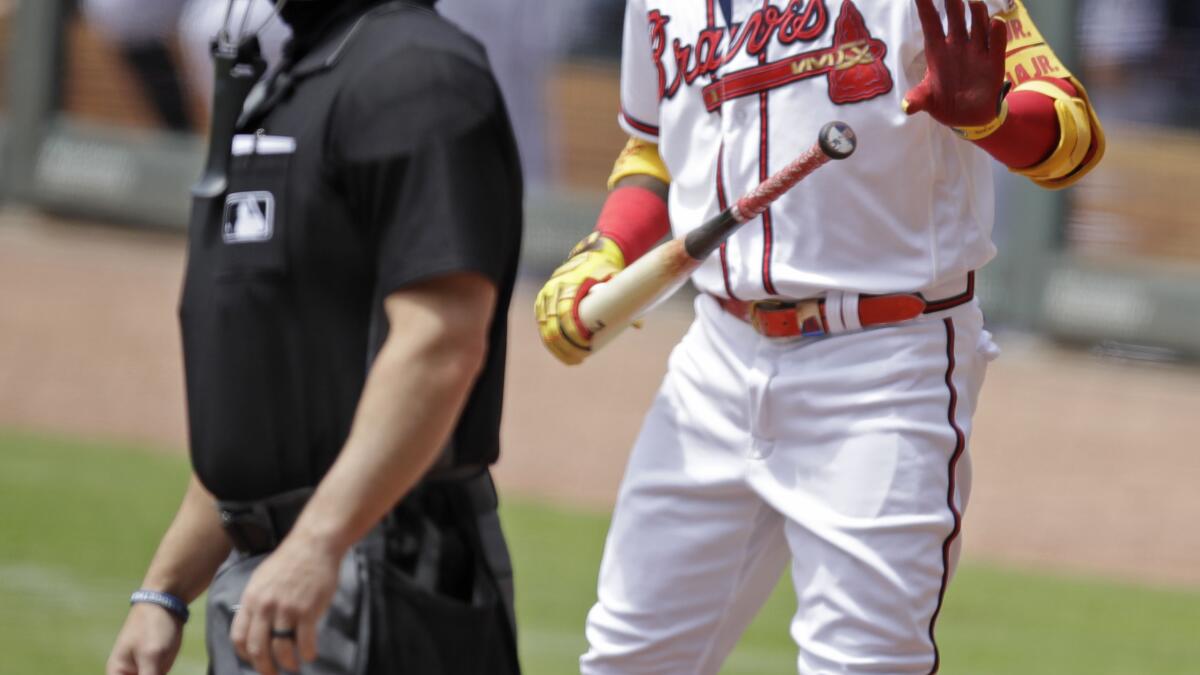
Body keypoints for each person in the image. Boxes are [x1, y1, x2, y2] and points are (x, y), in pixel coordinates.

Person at [535, 0, 1103, 673]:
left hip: (883, 361)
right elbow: (657, 146)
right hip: (714, 356)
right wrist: (607, 249)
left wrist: (994, 119)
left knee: (863, 663)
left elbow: (1073, 132)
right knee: (630, 658)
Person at [106, 1, 523, 674]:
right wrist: (164, 589)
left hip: (374, 573)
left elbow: (440, 342)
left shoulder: (418, 76)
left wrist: (318, 542)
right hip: (284, 575)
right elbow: (269, 405)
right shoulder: (303, 77)